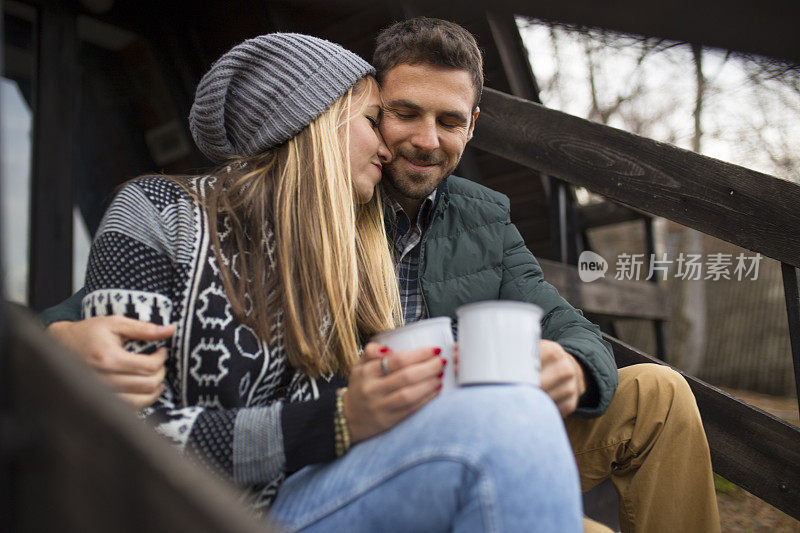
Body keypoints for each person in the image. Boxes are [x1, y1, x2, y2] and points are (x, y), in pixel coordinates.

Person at [42, 19, 719, 533]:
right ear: (317, 123)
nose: (418, 140)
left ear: (471, 126)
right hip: (346, 454)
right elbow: (117, 338)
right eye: (391, 115)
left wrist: (571, 360)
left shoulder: (454, 219)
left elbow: (561, 318)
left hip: (404, 433)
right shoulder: (191, 214)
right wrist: (55, 346)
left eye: (449, 120)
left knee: (656, 390)